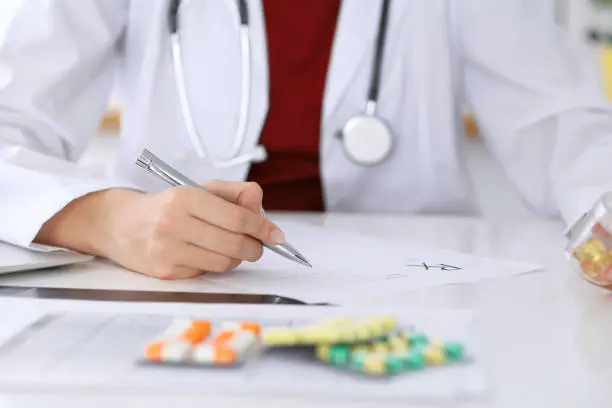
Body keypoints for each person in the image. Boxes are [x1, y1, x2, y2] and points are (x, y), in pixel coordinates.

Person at [1, 0, 611, 280]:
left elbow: (566, 121)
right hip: (185, 287)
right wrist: (105, 218)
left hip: (421, 294)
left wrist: (603, 205)